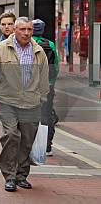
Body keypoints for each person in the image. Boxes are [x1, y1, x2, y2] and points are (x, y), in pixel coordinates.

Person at [0, 17, 49, 192]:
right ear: (15, 30)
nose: (26, 33)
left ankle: (21, 175)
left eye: (29, 30)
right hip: (7, 101)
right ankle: (10, 176)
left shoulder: (39, 51)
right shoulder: (1, 49)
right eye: (22, 29)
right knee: (11, 135)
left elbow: (44, 78)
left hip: (31, 103)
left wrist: (42, 98)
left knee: (27, 140)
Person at [31, 19, 59, 156]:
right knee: (46, 115)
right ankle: (47, 146)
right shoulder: (50, 44)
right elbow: (56, 66)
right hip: (47, 86)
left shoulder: (28, 44)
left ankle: (31, 144)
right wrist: (51, 82)